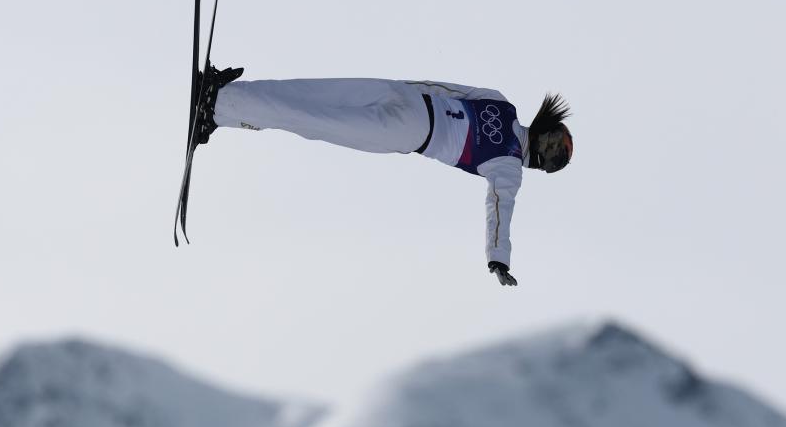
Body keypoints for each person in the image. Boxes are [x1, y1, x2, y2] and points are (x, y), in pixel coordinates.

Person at [193, 66, 573, 286]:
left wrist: (400, 88)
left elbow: (440, 87)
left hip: (407, 96)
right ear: (540, 160)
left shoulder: (502, 103)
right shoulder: (507, 164)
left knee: (314, 94)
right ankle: (218, 108)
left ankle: (223, 91)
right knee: (314, 121)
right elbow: (499, 210)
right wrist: (498, 261)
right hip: (411, 132)